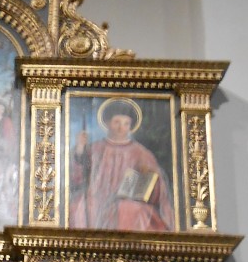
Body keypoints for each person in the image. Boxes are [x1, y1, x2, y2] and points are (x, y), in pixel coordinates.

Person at [70, 98, 174, 231]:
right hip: (98, 197)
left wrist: (149, 177)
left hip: (128, 201)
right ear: (108, 123)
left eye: (126, 123)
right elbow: (78, 178)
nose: (121, 127)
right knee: (79, 206)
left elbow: (157, 187)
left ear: (130, 127)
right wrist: (80, 149)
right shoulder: (95, 148)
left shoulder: (141, 152)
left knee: (127, 209)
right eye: (117, 122)